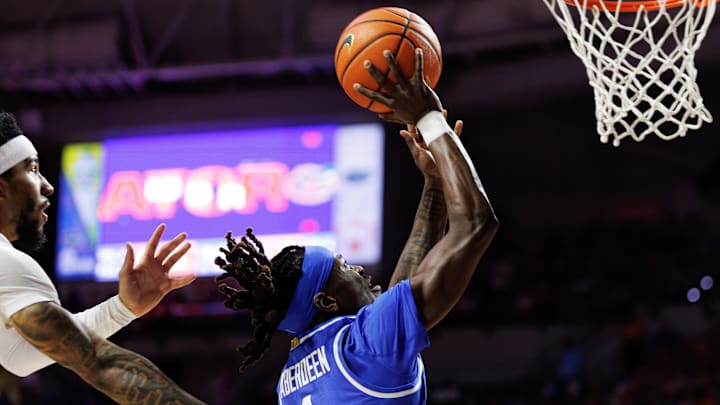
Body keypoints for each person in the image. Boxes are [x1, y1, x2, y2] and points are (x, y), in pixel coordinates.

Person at [213, 48, 498, 404]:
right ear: (325, 300)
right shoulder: (364, 349)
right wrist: (428, 118)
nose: (359, 269)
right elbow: (475, 224)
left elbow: (400, 292)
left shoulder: (293, 376)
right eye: (344, 267)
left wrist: (436, 185)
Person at [0, 111, 205, 404]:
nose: (47, 185)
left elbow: (21, 355)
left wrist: (121, 309)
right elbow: (99, 362)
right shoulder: (6, 262)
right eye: (32, 169)